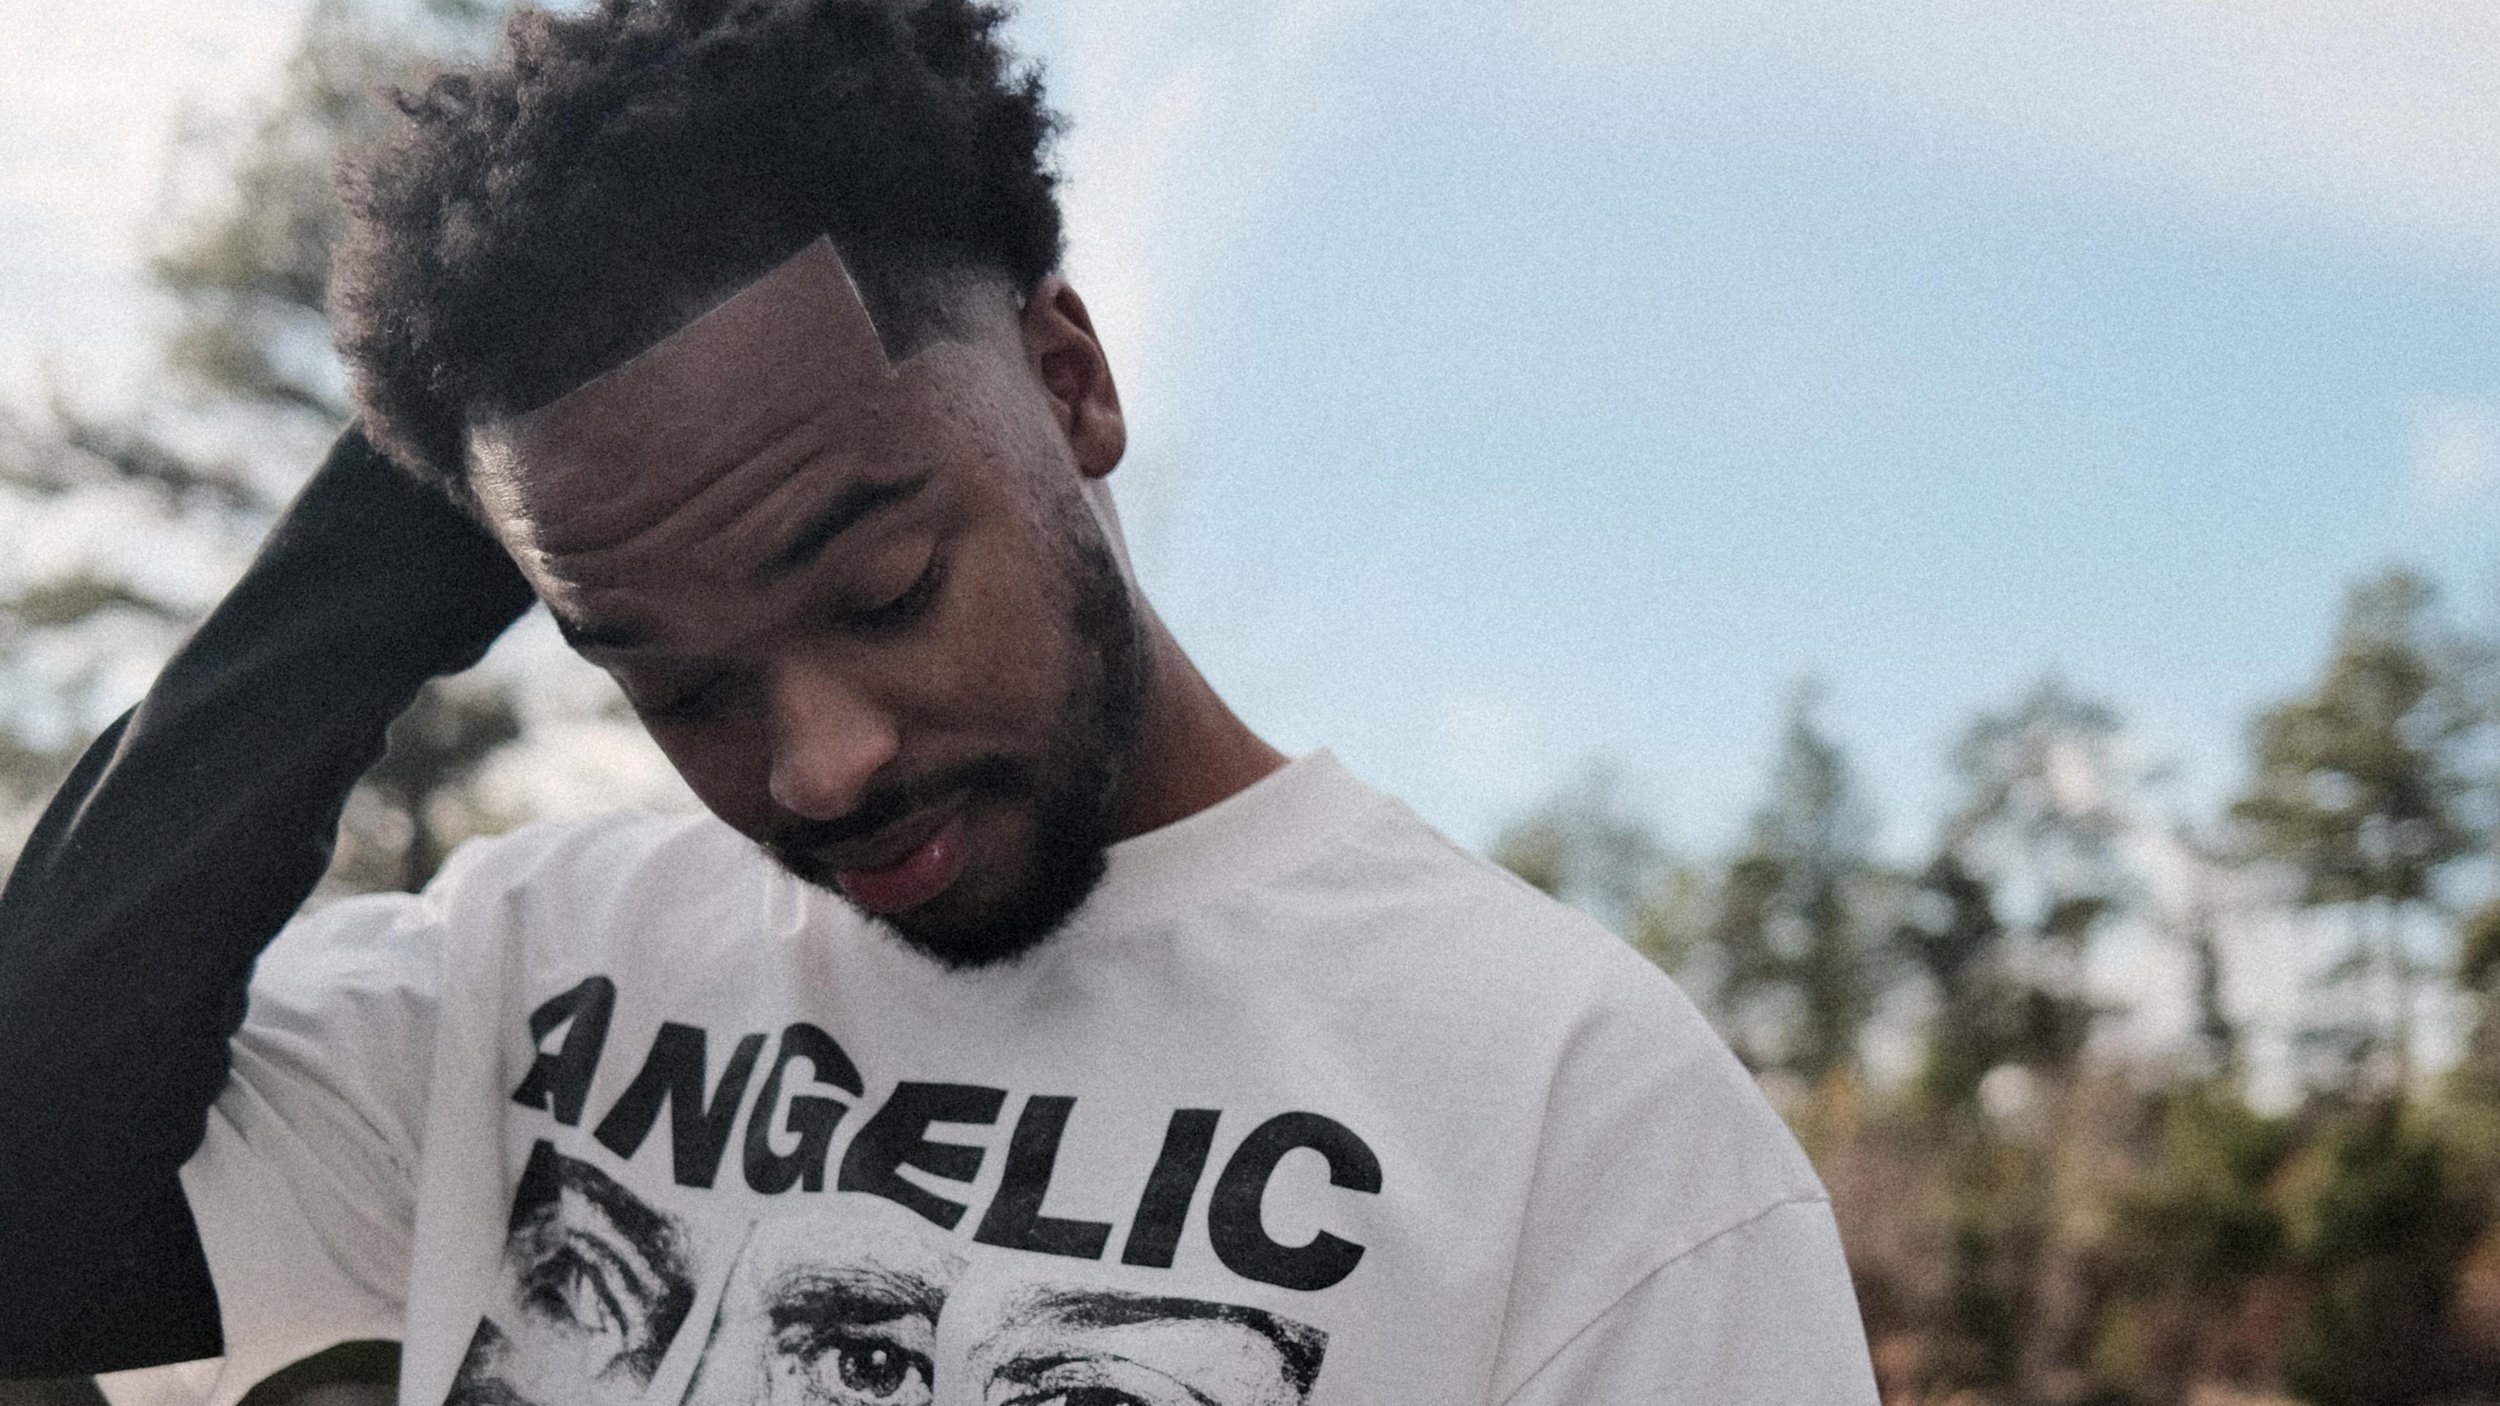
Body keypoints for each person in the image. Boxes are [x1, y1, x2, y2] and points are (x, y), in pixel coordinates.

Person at [0, 0, 1881, 1401]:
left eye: (886, 590)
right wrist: (434, 484)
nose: (820, 764)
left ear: (1069, 379)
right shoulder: (534, 975)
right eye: (680, 682)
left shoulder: (1577, 1121)